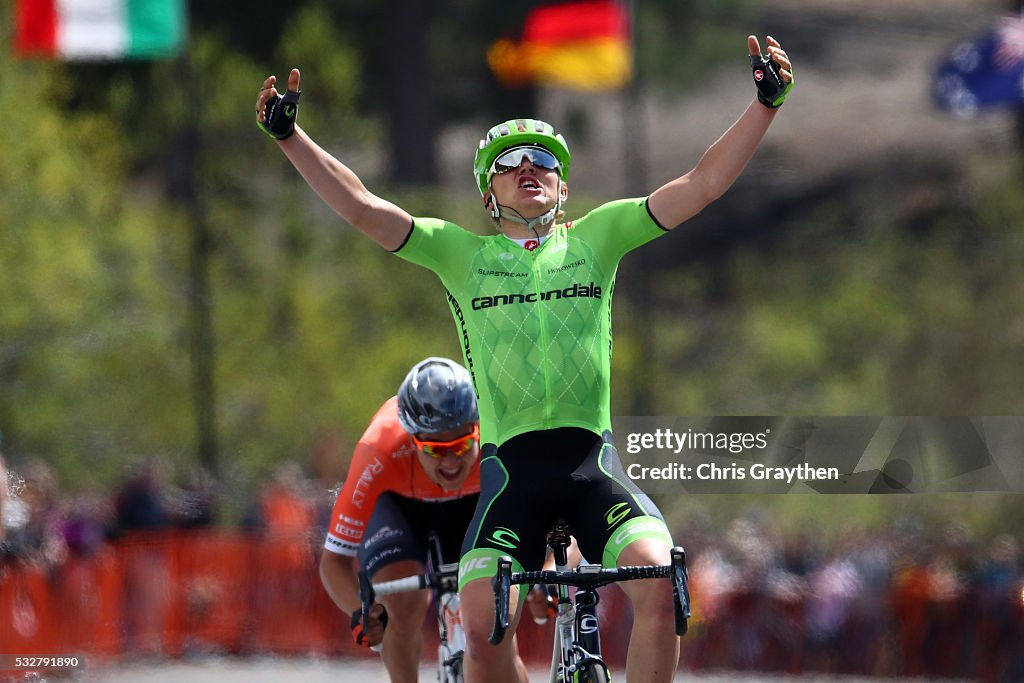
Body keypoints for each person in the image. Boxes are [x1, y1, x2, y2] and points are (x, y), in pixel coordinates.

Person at [258, 34, 793, 683]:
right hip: (508, 474)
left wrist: (765, 103)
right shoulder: (461, 256)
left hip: (592, 464)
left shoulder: (601, 236)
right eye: (509, 163)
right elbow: (364, 209)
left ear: (563, 186)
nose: (528, 166)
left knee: (659, 587)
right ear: (489, 194)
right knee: (484, 627)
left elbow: (702, 184)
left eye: (543, 158)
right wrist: (291, 137)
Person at [319, 357, 530, 682]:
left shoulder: (498, 436)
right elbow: (333, 562)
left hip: (472, 501)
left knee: (494, 628)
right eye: (433, 449)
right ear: (412, 437)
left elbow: (537, 516)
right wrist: (362, 611)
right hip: (399, 507)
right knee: (400, 605)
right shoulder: (379, 448)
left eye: (461, 445)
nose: (449, 461)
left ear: (477, 428)